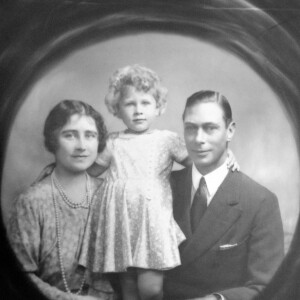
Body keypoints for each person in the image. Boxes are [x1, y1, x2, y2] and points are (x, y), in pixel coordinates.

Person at [78, 66, 239, 300]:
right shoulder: (113, 142)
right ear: (117, 109)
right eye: (129, 104)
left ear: (158, 107)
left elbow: (199, 161)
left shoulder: (166, 140)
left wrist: (225, 156)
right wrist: (61, 169)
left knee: (151, 289)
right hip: (120, 221)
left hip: (151, 222)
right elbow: (91, 170)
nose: (138, 111)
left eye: (145, 103)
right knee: (129, 289)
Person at [163, 90, 284, 300]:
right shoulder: (161, 187)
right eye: (191, 128)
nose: (198, 139)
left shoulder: (260, 201)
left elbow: (266, 285)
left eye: (210, 128)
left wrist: (216, 299)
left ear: (230, 131)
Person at [7, 100, 114, 300]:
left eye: (90, 136)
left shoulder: (110, 194)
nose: (82, 146)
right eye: (70, 135)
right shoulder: (32, 202)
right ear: (53, 140)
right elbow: (18, 276)